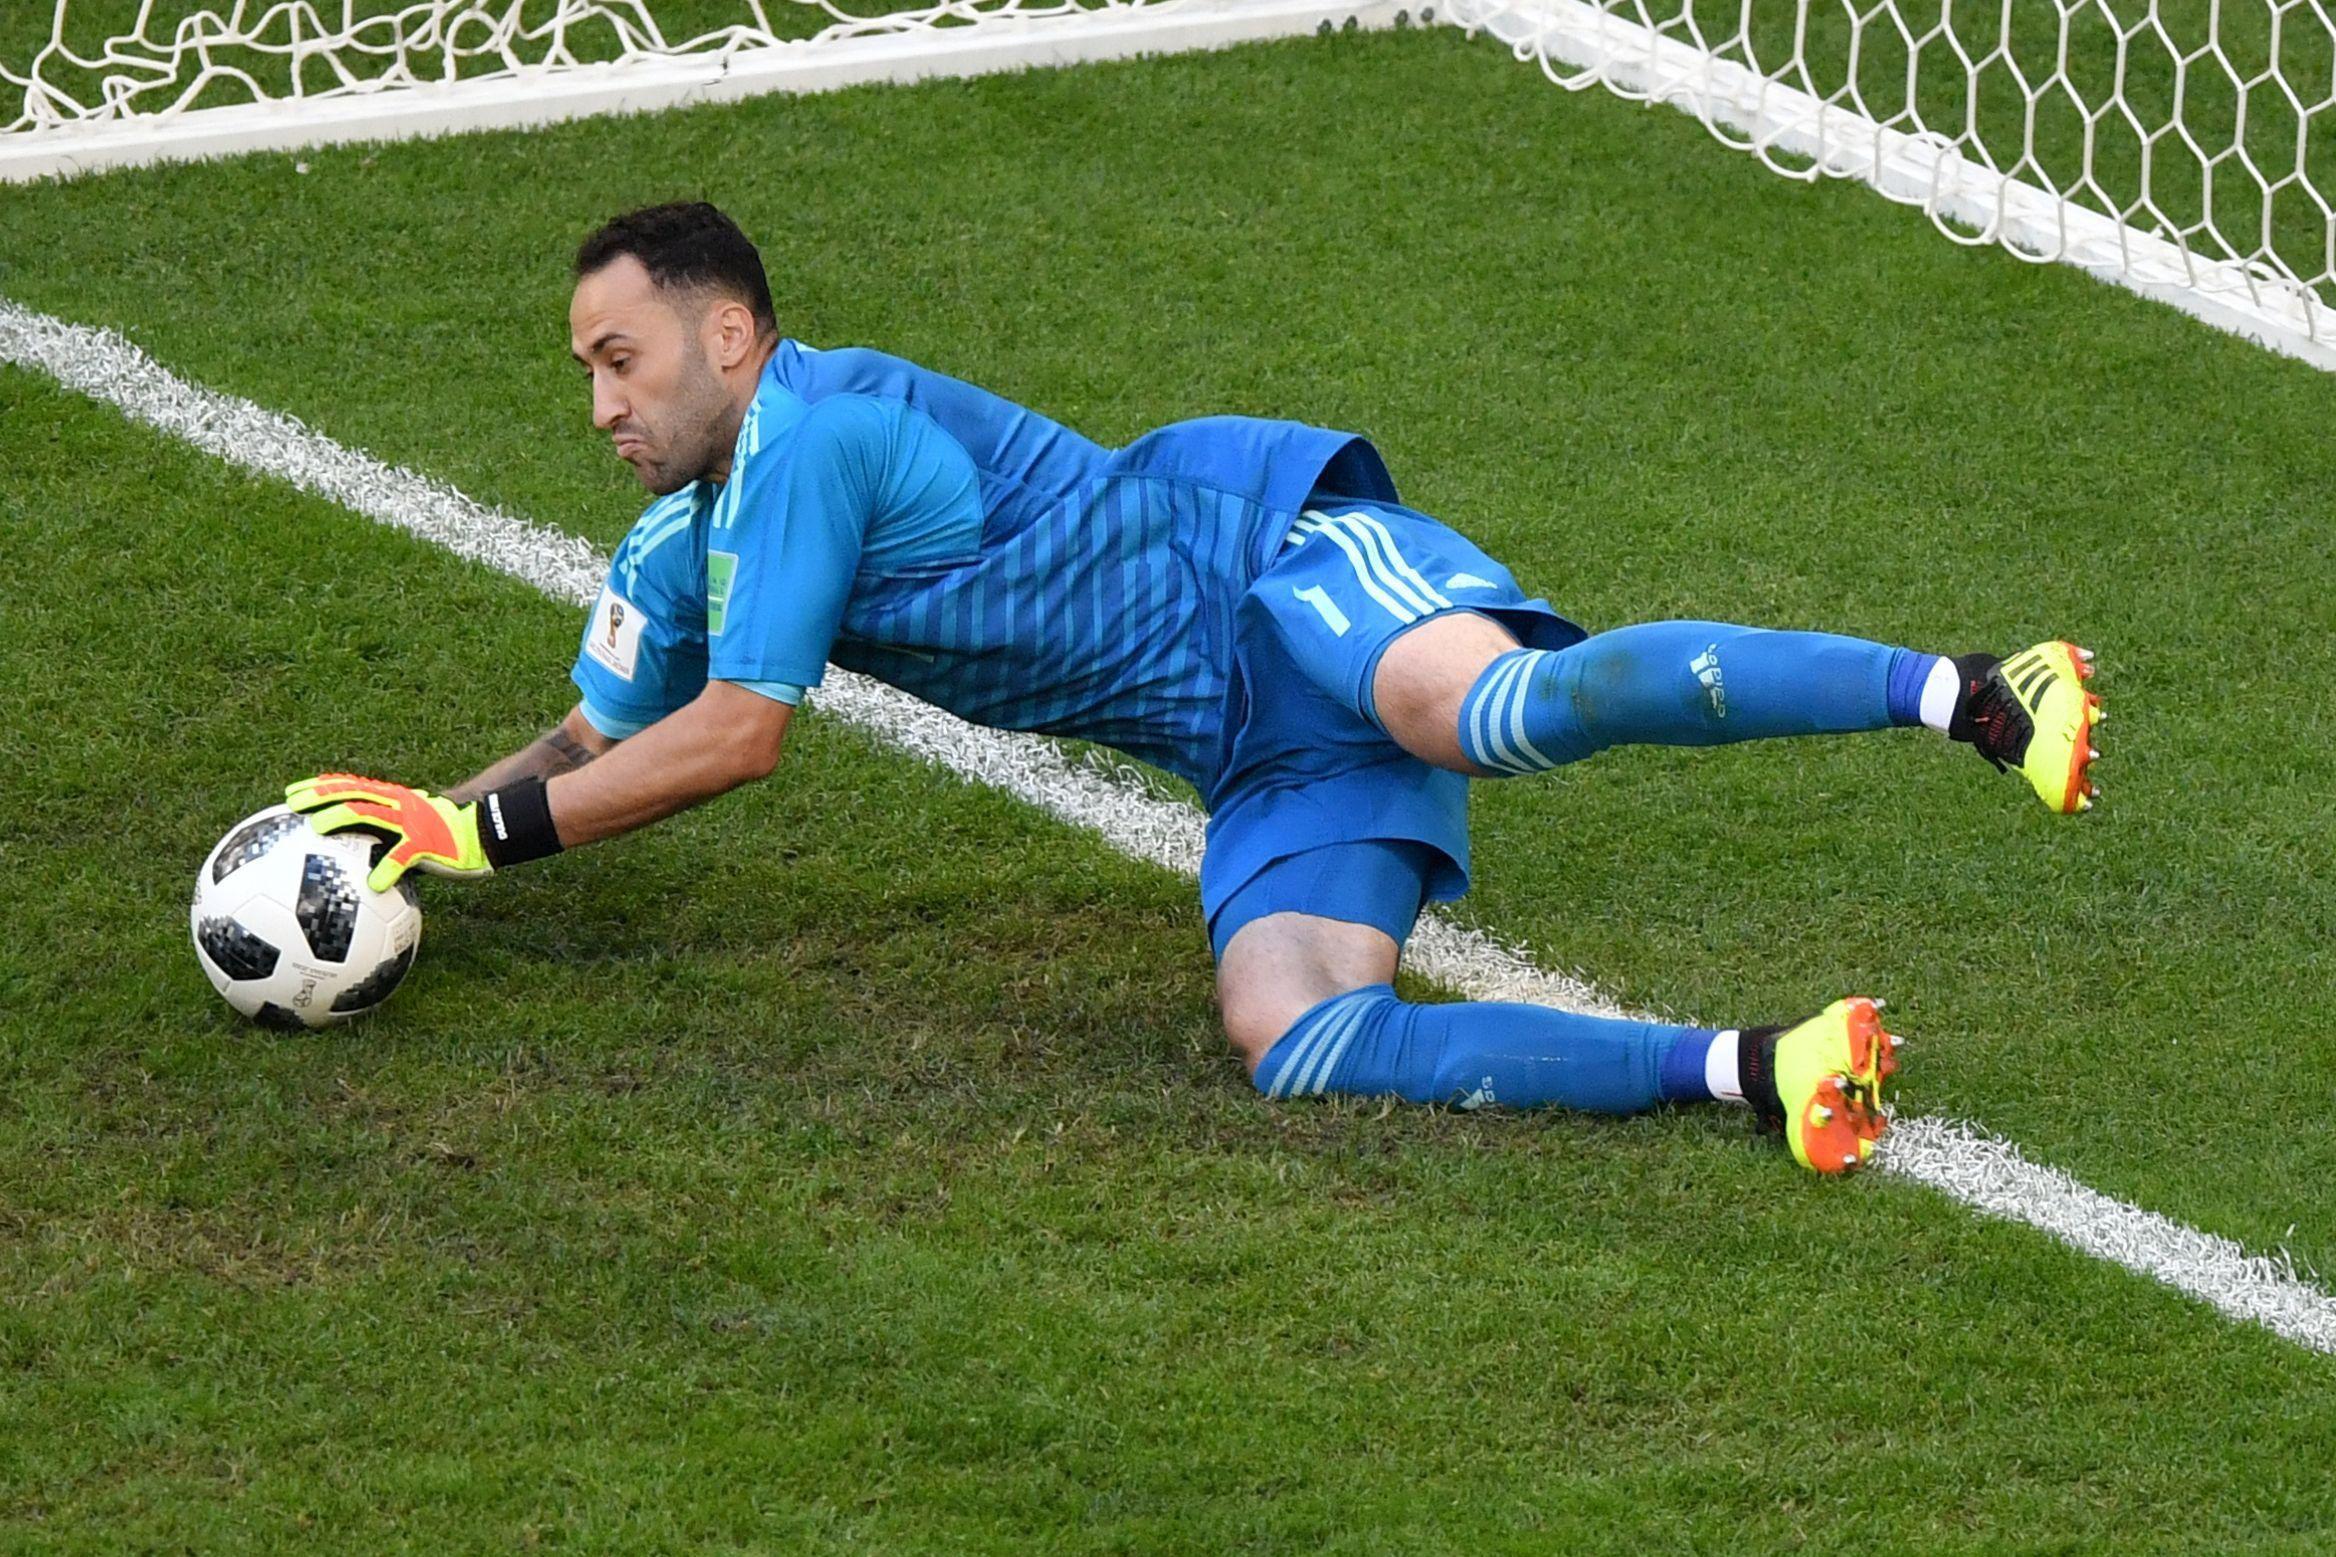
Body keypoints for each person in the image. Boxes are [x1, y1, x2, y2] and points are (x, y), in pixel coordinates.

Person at [287, 201, 2104, 1173]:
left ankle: (1963, 687)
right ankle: (1769, 1069)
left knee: (1487, 710)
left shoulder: (817, 437)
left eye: (622, 357)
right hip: (1238, 745)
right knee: (1294, 1038)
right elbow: (601, 736)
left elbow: (738, 736)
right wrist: (417, 840)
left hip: (1272, 562)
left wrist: (481, 831)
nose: (601, 404)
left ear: (730, 331)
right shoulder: (678, 547)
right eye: (585, 374)